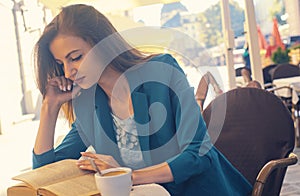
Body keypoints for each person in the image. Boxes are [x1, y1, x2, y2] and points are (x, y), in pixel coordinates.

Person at [32, 4, 252, 195]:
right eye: (61, 63)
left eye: (76, 57)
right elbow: (47, 175)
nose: (69, 71)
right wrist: (49, 108)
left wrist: (126, 175)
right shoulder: (89, 106)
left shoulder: (162, 72)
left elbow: (198, 153)